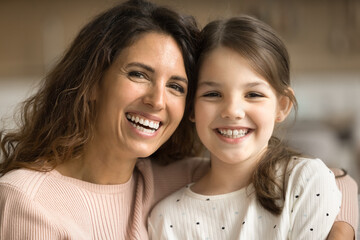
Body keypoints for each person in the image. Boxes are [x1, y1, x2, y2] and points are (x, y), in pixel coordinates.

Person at [0, 1, 357, 239]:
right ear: (92, 83)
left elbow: (337, 181)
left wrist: (342, 230)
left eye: (175, 85)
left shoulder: (168, 178)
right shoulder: (28, 200)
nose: (157, 100)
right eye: (138, 74)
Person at [148, 15, 354, 239]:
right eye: (213, 94)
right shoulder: (165, 220)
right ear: (191, 108)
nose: (233, 110)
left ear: (282, 106)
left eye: (253, 94)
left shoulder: (305, 181)